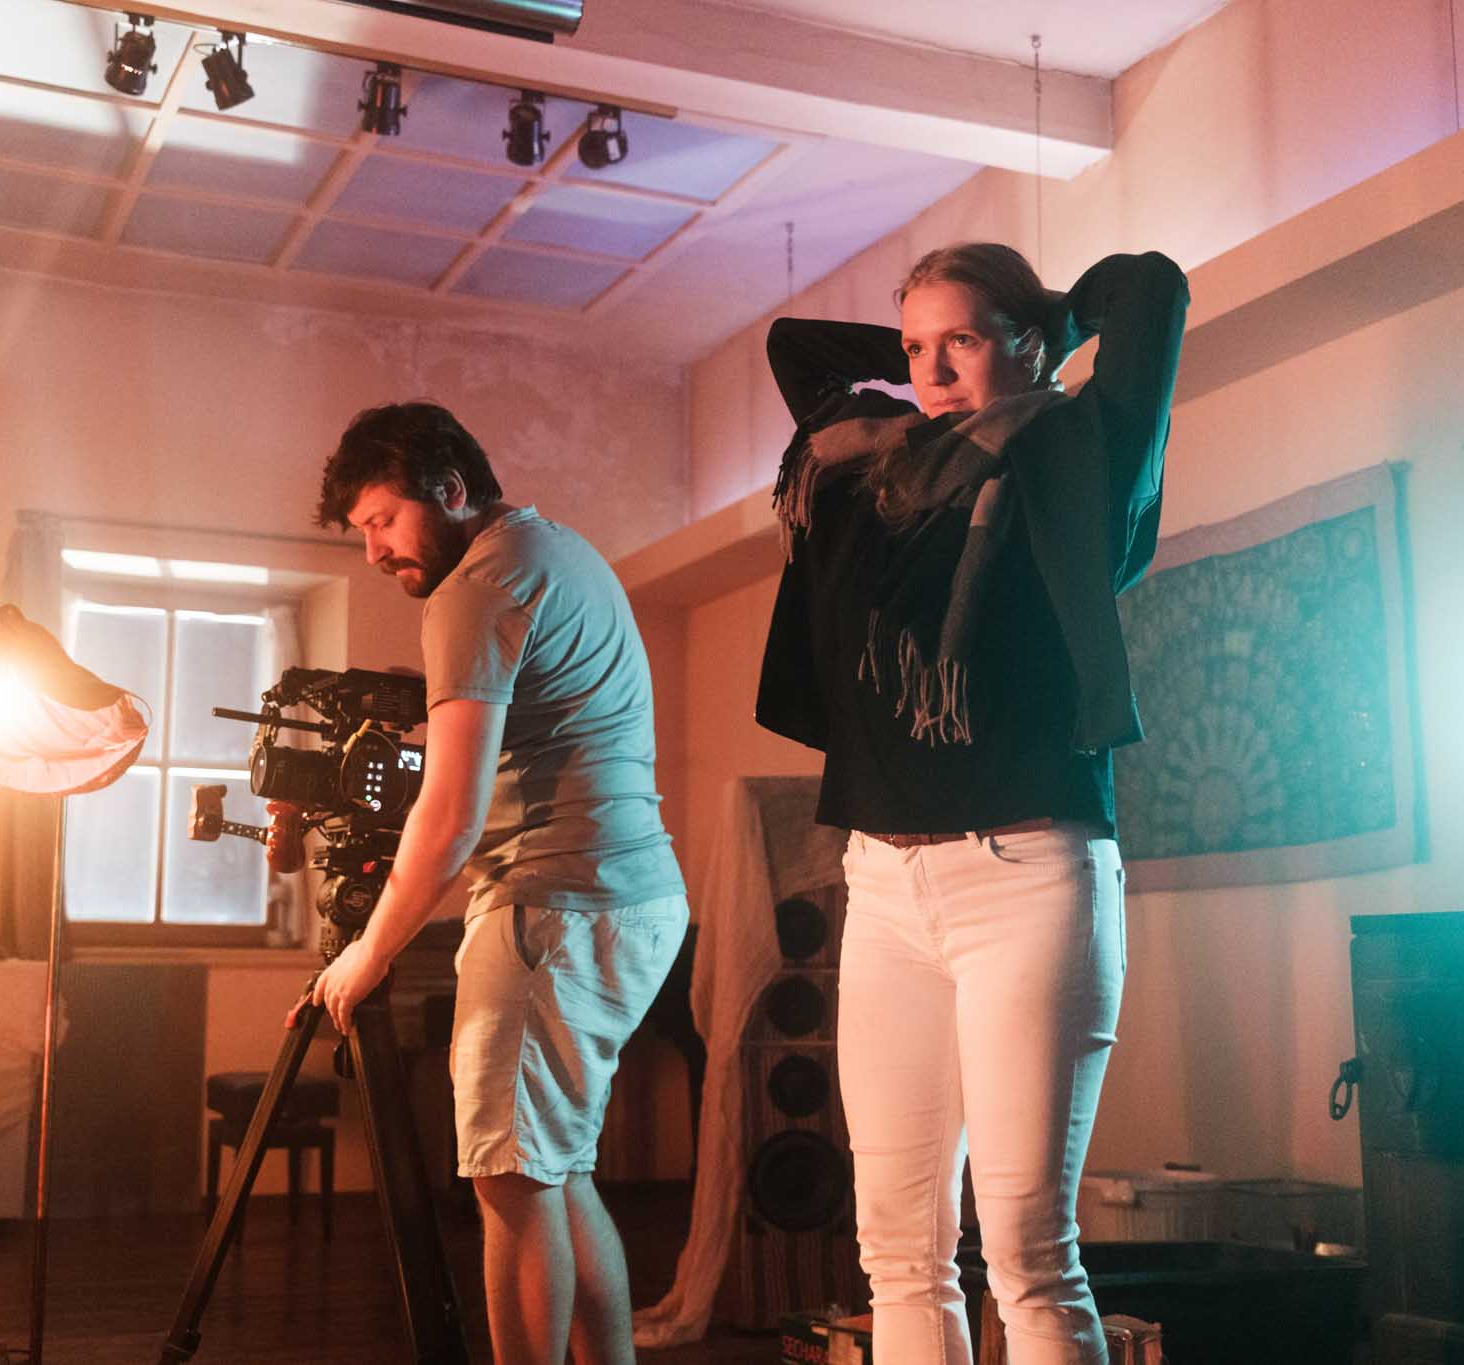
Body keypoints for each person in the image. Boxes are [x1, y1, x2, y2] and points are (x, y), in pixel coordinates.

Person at [755, 244, 1189, 1365]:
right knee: (896, 1254)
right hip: (884, 885)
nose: (929, 370)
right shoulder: (867, 475)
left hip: (1026, 878)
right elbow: (792, 347)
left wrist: (1039, 329)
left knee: (1028, 1256)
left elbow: (1147, 288)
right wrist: (943, 339)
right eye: (911, 348)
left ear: (1028, 340)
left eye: (958, 340)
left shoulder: (1076, 453)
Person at [285, 401, 689, 1365]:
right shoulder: (562, 553)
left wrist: (365, 954)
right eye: (362, 532)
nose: (375, 550)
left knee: (510, 1180)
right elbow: (499, 753)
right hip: (637, 897)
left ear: (450, 491)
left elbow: (451, 818)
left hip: (553, 906)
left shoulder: (472, 587)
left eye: (383, 520)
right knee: (556, 1171)